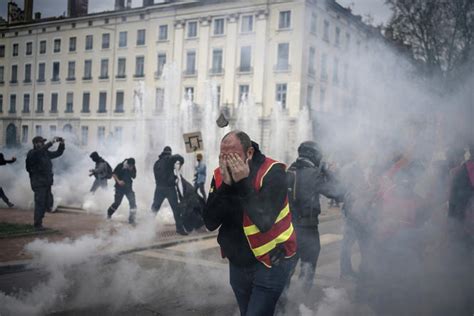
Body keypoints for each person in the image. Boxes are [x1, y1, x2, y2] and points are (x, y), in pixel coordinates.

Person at [203, 130, 297, 316]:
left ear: (249, 153)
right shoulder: (220, 174)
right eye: (223, 156)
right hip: (238, 263)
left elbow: (264, 220)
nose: (228, 161)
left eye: (234, 156)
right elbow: (210, 221)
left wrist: (242, 182)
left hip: (271, 261)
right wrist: (227, 187)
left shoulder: (273, 172)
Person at [286, 141, 344, 291]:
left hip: (287, 230)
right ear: (313, 155)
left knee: (286, 271)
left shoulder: (289, 171)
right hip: (307, 229)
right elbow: (338, 192)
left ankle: (280, 306)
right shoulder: (314, 174)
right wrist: (327, 171)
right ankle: (300, 304)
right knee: (307, 271)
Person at [25, 136, 65, 230]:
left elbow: (58, 153)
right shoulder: (33, 153)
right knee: (40, 203)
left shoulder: (45, 153)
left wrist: (62, 144)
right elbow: (39, 151)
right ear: (35, 143)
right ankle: (37, 224)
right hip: (38, 183)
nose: (42, 143)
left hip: (46, 183)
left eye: (43, 142)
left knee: (49, 203)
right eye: (41, 142)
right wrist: (51, 142)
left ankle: (39, 221)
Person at [151, 146, 186, 235]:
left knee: (154, 208)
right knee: (176, 209)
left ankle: (147, 227)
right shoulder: (168, 159)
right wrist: (181, 163)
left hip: (159, 188)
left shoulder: (156, 163)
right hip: (169, 189)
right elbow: (178, 156)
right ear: (169, 153)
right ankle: (179, 229)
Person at [106, 158, 137, 224]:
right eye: (130, 165)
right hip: (119, 188)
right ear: (127, 163)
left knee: (133, 203)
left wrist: (131, 170)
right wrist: (118, 181)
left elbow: (134, 176)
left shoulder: (133, 167)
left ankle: (132, 220)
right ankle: (109, 214)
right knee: (117, 203)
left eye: (132, 165)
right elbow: (114, 174)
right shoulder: (120, 165)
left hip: (128, 188)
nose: (131, 166)